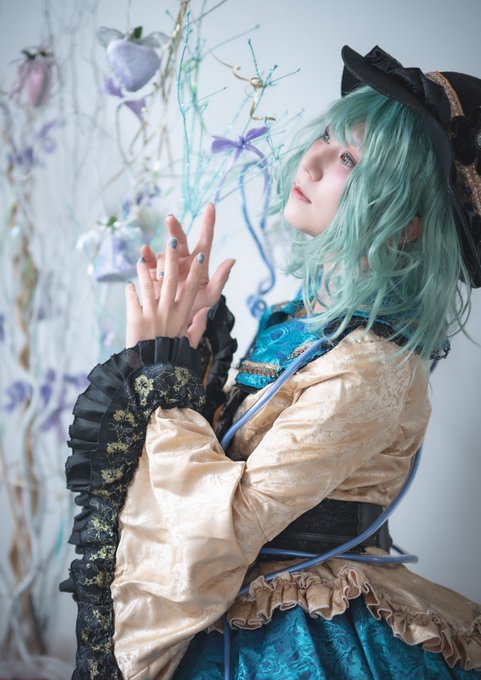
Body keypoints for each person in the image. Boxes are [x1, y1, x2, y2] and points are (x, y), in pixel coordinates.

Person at [61, 46, 481, 678]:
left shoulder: (372, 367)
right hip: (236, 594)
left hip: (304, 628)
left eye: (348, 159)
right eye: (328, 138)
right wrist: (189, 352)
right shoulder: (304, 320)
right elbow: (228, 454)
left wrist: (161, 372)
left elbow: (224, 524)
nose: (311, 160)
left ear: (410, 223)